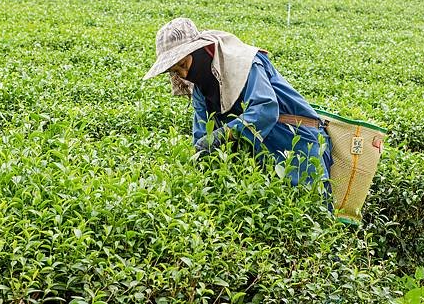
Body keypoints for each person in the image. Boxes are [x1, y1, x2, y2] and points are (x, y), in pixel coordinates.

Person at [143, 18, 333, 199]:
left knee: (311, 206)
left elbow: (264, 109)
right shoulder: (200, 87)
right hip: (262, 153)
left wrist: (221, 135)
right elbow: (202, 134)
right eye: (176, 71)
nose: (184, 74)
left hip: (296, 144)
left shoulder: (245, 63)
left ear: (202, 50)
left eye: (184, 64)